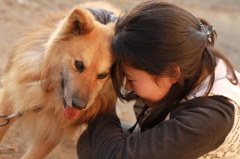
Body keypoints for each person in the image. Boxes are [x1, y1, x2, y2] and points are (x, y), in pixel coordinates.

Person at [77, 1, 240, 158]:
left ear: (170, 74)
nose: (128, 86)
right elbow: (105, 17)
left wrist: (101, 101)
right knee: (93, 142)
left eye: (131, 79)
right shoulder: (182, 51)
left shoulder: (208, 120)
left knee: (101, 145)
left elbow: (118, 156)